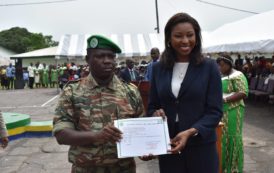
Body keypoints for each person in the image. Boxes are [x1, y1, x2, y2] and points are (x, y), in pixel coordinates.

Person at [143, 13, 223, 173]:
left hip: (201, 146)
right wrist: (155, 114)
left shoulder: (209, 67)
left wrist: (191, 132)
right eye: (178, 36)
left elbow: (215, 112)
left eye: (190, 35)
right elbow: (152, 106)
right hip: (169, 145)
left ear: (197, 37)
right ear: (169, 39)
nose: (185, 41)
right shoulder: (158, 69)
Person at [53, 35, 144, 173]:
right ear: (87, 60)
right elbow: (61, 134)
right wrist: (96, 136)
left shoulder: (130, 91)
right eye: (100, 56)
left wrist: (147, 148)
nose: (107, 61)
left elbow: (141, 128)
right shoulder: (72, 92)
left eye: (111, 56)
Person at [217, 55, 248, 173]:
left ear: (229, 64)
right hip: (223, 110)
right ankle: (224, 167)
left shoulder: (238, 75)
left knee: (232, 136)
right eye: (219, 65)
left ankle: (233, 167)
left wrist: (225, 99)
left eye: (222, 65)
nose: (220, 67)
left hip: (234, 110)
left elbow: (243, 92)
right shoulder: (222, 76)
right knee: (223, 137)